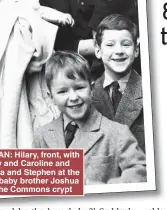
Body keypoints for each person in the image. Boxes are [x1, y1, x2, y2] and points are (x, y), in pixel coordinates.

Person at [33, 51, 146, 185]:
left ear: (91, 89)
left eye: (80, 88)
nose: (74, 97)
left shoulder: (118, 133)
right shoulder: (42, 136)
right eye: (63, 91)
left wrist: (100, 190)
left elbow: (140, 172)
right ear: (51, 97)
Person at [92, 14, 145, 152]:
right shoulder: (87, 96)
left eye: (126, 44)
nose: (119, 51)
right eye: (110, 45)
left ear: (136, 50)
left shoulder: (151, 91)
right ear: (98, 50)